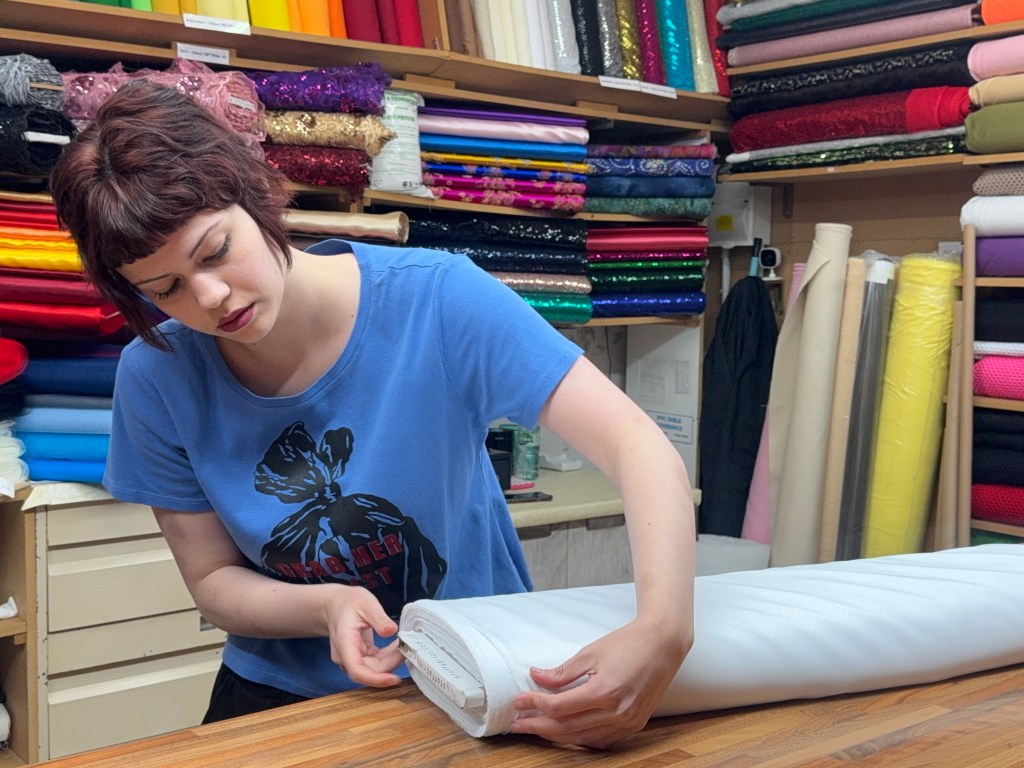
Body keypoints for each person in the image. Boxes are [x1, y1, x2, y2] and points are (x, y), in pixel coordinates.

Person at [49, 79, 696, 749]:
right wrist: (323, 605)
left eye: (214, 251)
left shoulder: (438, 300)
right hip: (280, 697)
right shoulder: (157, 376)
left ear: (252, 190)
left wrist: (664, 626)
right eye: (165, 289)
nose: (210, 297)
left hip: (481, 670)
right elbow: (212, 580)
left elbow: (636, 446)